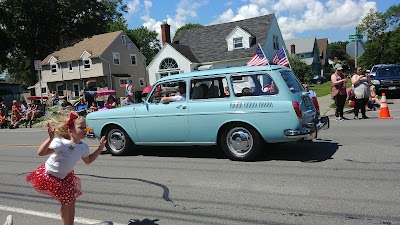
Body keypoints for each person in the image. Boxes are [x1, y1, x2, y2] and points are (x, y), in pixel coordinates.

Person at [26, 113, 106, 225]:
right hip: (50, 176)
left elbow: (88, 161)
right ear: (70, 130)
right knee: (66, 202)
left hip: (65, 177)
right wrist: (50, 138)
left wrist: (100, 148)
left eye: (85, 127)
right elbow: (41, 153)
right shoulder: (61, 143)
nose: (84, 130)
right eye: (81, 128)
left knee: (71, 201)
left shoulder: (83, 147)